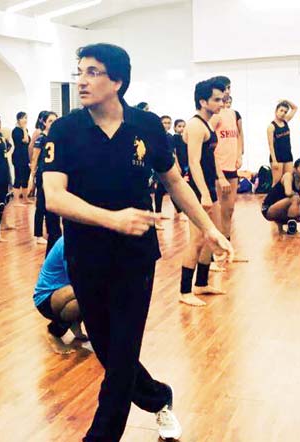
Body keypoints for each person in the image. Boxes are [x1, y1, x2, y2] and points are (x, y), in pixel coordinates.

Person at [43, 43, 233, 441]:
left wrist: (210, 228)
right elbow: (54, 197)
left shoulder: (147, 126)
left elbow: (175, 181)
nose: (82, 81)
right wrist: (113, 219)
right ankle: (159, 396)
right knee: (110, 350)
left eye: (93, 72)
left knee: (125, 346)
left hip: (135, 256)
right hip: (85, 255)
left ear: (117, 81)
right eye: (80, 71)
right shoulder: (65, 130)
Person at [180, 79, 229, 307]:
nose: (222, 102)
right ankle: (184, 291)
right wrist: (203, 194)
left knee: (210, 237)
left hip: (208, 186)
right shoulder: (195, 125)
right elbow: (194, 162)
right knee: (197, 240)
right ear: (202, 101)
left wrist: (217, 181)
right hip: (198, 191)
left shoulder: (208, 124)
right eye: (217, 99)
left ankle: (201, 283)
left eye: (222, 98)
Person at [33, 236, 88, 354]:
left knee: (91, 291)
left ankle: (75, 324)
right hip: (46, 299)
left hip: (65, 291)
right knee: (86, 295)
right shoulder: (69, 243)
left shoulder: (86, 242)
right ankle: (54, 332)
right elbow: (77, 278)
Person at [210, 76, 245, 255]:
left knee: (229, 208)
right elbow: (208, 146)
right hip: (218, 169)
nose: (227, 91)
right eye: (224, 88)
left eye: (229, 88)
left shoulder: (232, 113)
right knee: (218, 209)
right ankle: (216, 250)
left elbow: (238, 135)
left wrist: (239, 155)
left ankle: (226, 243)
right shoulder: (215, 116)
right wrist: (220, 175)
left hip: (232, 167)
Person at [31, 111, 62, 250]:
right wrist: (32, 176)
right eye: (50, 121)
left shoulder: (56, 137)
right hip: (42, 175)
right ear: (44, 122)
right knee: (41, 205)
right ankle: (38, 234)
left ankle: (51, 232)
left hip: (53, 175)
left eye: (55, 120)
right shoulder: (41, 137)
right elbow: (35, 157)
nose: (53, 123)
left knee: (52, 206)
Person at [261, 158, 300, 234]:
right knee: (295, 198)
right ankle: (291, 228)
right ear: (294, 169)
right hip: (268, 209)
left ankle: (285, 226)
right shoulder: (288, 176)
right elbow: (288, 192)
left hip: (281, 209)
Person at [151, 115, 174, 228]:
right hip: (158, 168)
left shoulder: (170, 137)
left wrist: (177, 166)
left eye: (169, 123)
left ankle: (159, 214)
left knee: (166, 190)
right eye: (164, 123)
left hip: (168, 166)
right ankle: (156, 216)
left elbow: (172, 153)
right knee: (159, 190)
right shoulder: (156, 136)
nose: (167, 125)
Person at [268, 100, 297, 185]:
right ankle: (272, 198)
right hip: (277, 157)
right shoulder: (271, 127)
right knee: (277, 183)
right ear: (276, 111)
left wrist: (286, 100)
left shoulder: (285, 121)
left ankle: (284, 198)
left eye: (285, 111)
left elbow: (295, 108)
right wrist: (274, 161)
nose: (283, 113)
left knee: (288, 180)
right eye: (281, 110)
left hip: (288, 155)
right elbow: (270, 145)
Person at [11, 112, 31, 204]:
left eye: (26, 118)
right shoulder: (16, 131)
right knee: (18, 177)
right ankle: (16, 200)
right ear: (18, 120)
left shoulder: (25, 130)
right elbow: (25, 140)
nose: (25, 120)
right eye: (23, 118)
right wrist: (23, 128)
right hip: (18, 157)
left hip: (25, 157)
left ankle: (25, 198)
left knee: (25, 177)